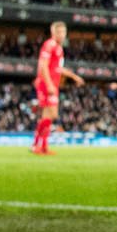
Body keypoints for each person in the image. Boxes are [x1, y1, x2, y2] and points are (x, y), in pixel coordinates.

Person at [32, 22, 84, 155]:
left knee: (47, 116)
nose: (62, 35)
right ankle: (37, 145)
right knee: (52, 114)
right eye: (59, 32)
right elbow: (43, 65)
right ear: (53, 32)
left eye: (63, 32)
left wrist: (74, 76)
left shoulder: (59, 48)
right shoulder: (50, 45)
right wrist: (49, 84)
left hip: (52, 84)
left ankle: (41, 146)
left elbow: (58, 68)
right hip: (47, 84)